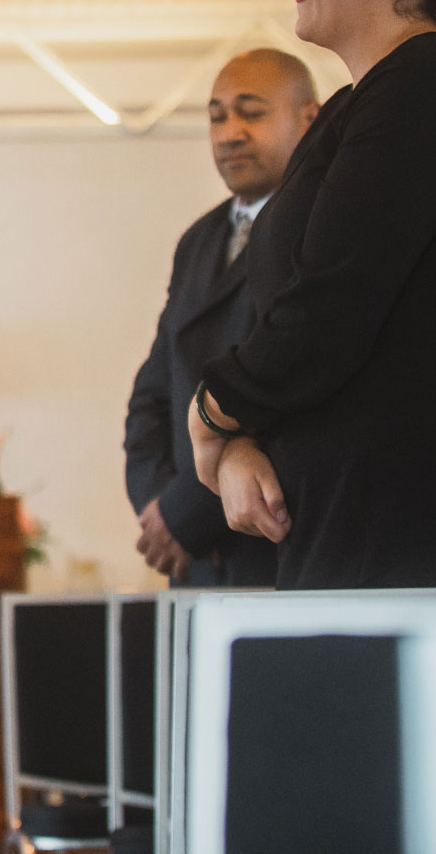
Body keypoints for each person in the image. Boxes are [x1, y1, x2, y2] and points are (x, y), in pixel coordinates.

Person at [191, 0, 436, 589]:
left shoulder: (424, 87)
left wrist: (212, 412)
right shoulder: (353, 109)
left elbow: (331, 305)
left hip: (399, 530)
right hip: (338, 514)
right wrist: (239, 444)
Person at [123, 49, 317, 587]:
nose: (229, 132)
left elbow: (289, 386)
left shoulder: (318, 232)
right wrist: (157, 507)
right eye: (216, 115)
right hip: (194, 562)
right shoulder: (199, 239)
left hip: (269, 546)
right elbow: (153, 393)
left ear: (311, 118)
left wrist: (185, 515)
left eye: (251, 112)